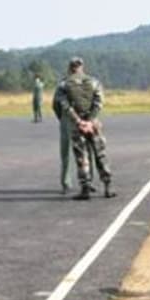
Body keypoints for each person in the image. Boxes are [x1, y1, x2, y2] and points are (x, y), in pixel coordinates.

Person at [53, 56, 113, 200]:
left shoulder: (64, 84)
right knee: (100, 154)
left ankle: (85, 188)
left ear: (70, 68)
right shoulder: (94, 82)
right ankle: (107, 187)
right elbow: (99, 102)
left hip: (77, 124)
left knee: (82, 157)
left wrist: (79, 121)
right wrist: (90, 121)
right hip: (93, 124)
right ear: (82, 67)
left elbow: (63, 105)